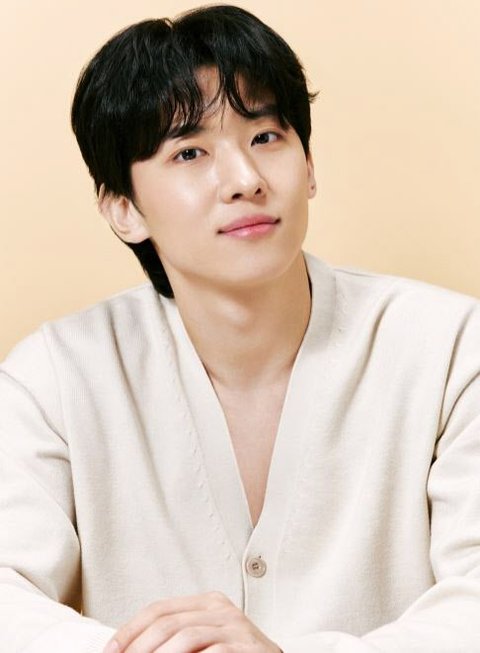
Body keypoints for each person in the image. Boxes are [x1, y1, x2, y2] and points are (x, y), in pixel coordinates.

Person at [1, 4, 480, 652]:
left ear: (309, 165)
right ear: (123, 209)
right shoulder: (54, 378)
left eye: (266, 137)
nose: (245, 181)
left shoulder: (452, 350)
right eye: (190, 151)